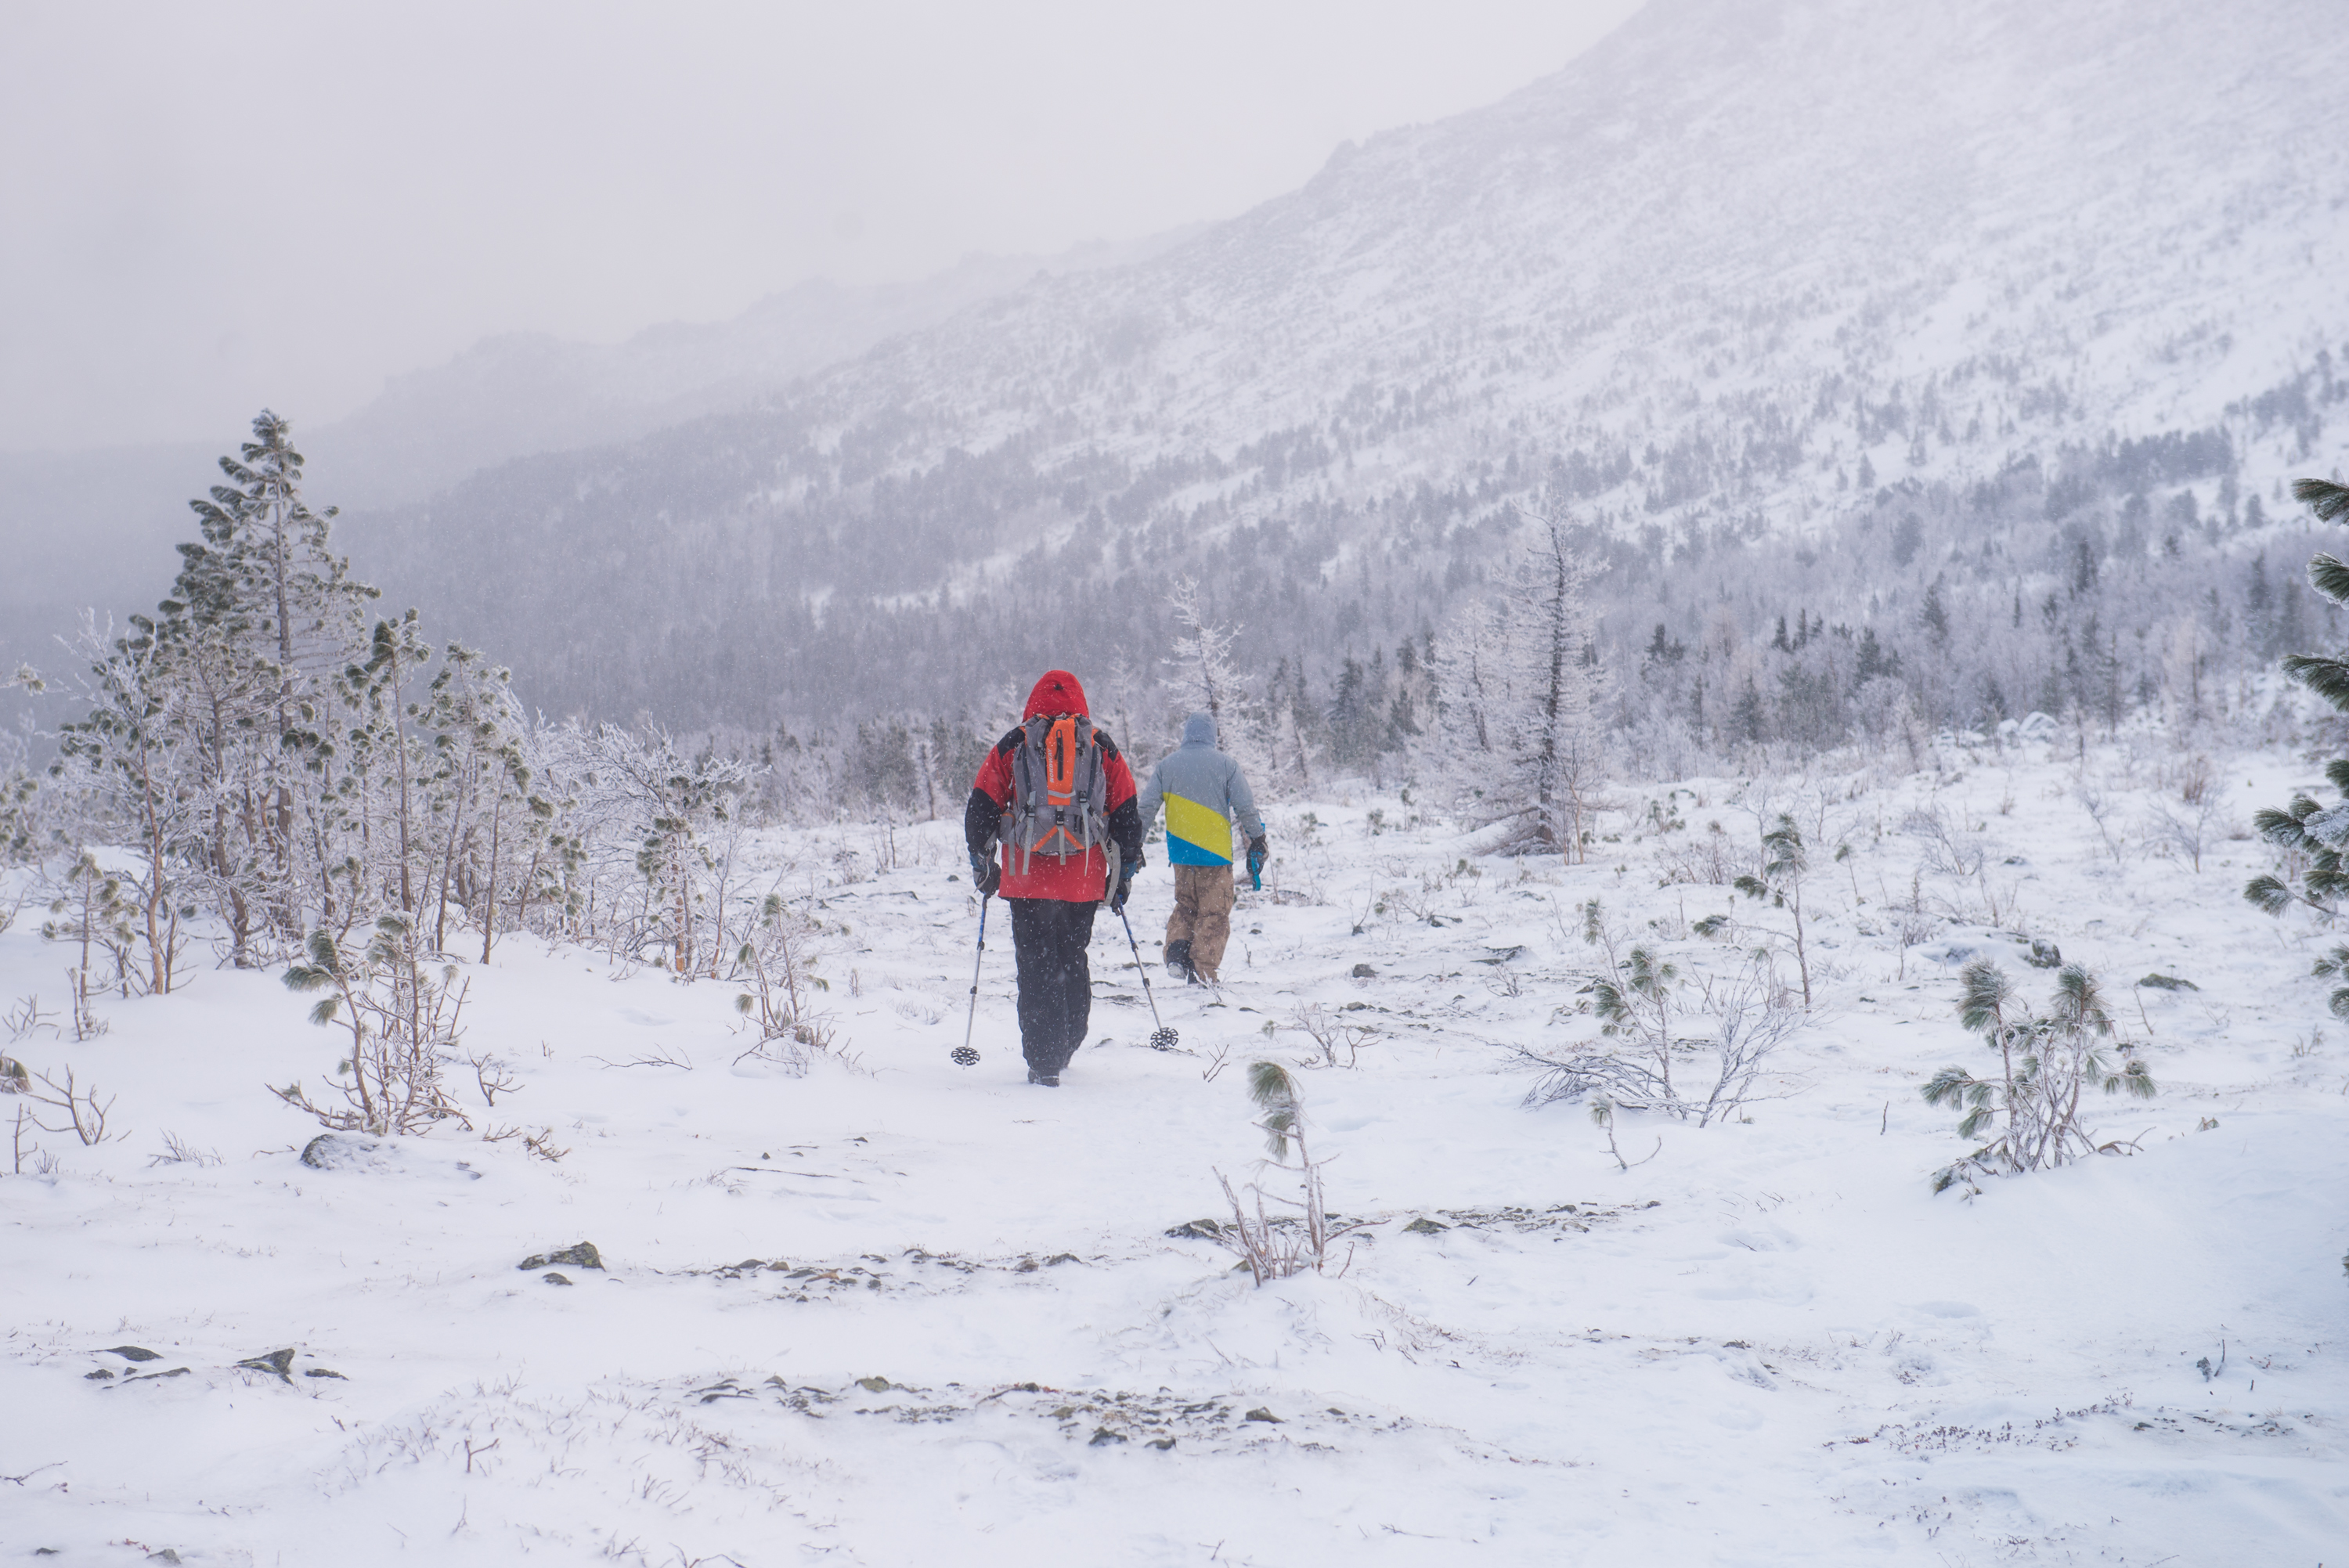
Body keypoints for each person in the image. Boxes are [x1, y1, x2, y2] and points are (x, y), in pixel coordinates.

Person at [964, 670, 1144, 1087]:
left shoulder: (1014, 744)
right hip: (1083, 878)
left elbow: (981, 806)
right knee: (1071, 956)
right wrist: (1125, 872)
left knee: (1036, 963)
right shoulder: (1101, 746)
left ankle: (1044, 1060)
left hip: (1027, 879)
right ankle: (1068, 1041)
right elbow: (1128, 813)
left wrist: (983, 862)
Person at [1135, 711, 1266, 985]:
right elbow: (1245, 807)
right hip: (1214, 854)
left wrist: (1134, 843)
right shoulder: (1226, 765)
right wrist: (1258, 838)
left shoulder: (1166, 766)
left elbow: (1146, 808)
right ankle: (1202, 972)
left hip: (1181, 854)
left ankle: (1177, 955)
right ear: (1212, 735)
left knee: (1186, 905)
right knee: (1214, 913)